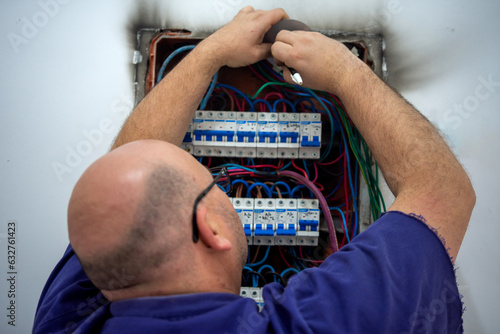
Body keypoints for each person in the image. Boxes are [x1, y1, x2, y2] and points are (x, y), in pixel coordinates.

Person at [33, 6, 475, 334]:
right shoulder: (321, 322)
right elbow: (443, 193)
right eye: (214, 183)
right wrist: (345, 72)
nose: (228, 184)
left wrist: (208, 57)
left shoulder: (63, 321)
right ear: (210, 228)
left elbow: (126, 176)